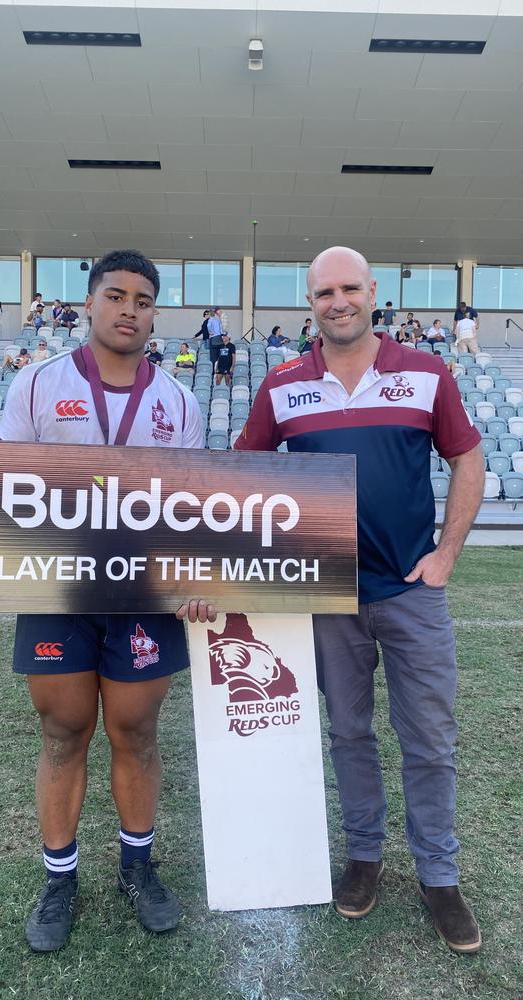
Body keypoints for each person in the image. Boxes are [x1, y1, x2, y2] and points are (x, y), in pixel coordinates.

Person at [0, 249, 214, 954]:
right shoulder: (38, 386)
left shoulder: (179, 401)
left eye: (142, 299)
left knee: (136, 734)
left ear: (153, 312)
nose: (128, 309)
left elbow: (194, 509)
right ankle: (59, 878)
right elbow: (5, 490)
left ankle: (138, 869)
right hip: (56, 589)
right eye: (116, 295)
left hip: (143, 596)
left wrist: (203, 576)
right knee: (63, 733)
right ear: (90, 302)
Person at [235, 246, 484, 955]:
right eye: (324, 292)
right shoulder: (283, 383)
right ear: (308, 303)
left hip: (411, 593)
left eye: (349, 288)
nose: (338, 301)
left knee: (430, 739)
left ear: (373, 292)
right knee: (348, 733)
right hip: (328, 594)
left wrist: (445, 555)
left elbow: (468, 458)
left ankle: (439, 873)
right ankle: (365, 855)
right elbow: (239, 470)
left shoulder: (426, 373)